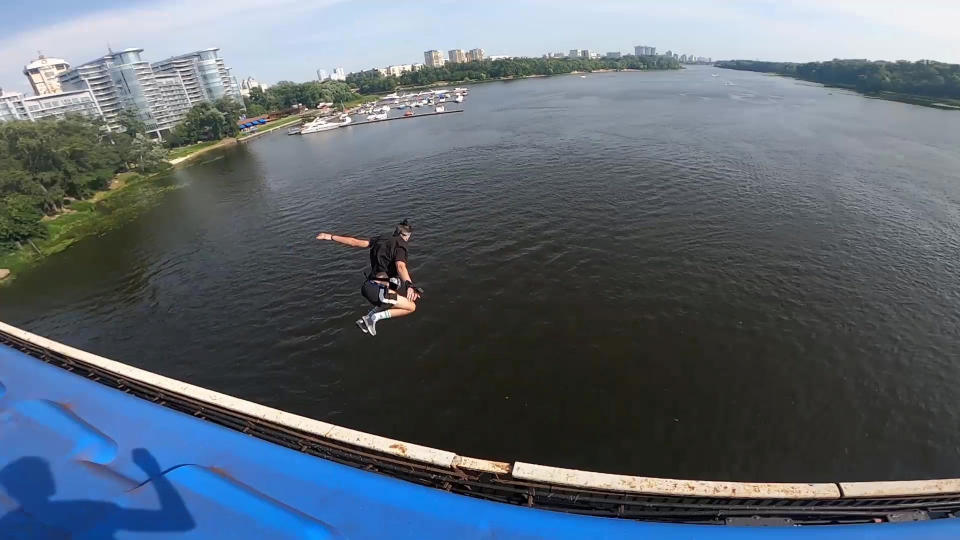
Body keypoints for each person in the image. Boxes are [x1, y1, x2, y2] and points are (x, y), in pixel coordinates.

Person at [316, 219, 420, 336]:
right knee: (411, 306)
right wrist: (409, 285)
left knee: (395, 286)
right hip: (379, 292)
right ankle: (374, 317)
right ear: (406, 236)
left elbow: (354, 242)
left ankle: (368, 318)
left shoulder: (380, 239)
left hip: (369, 287)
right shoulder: (401, 246)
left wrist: (330, 236)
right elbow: (400, 266)